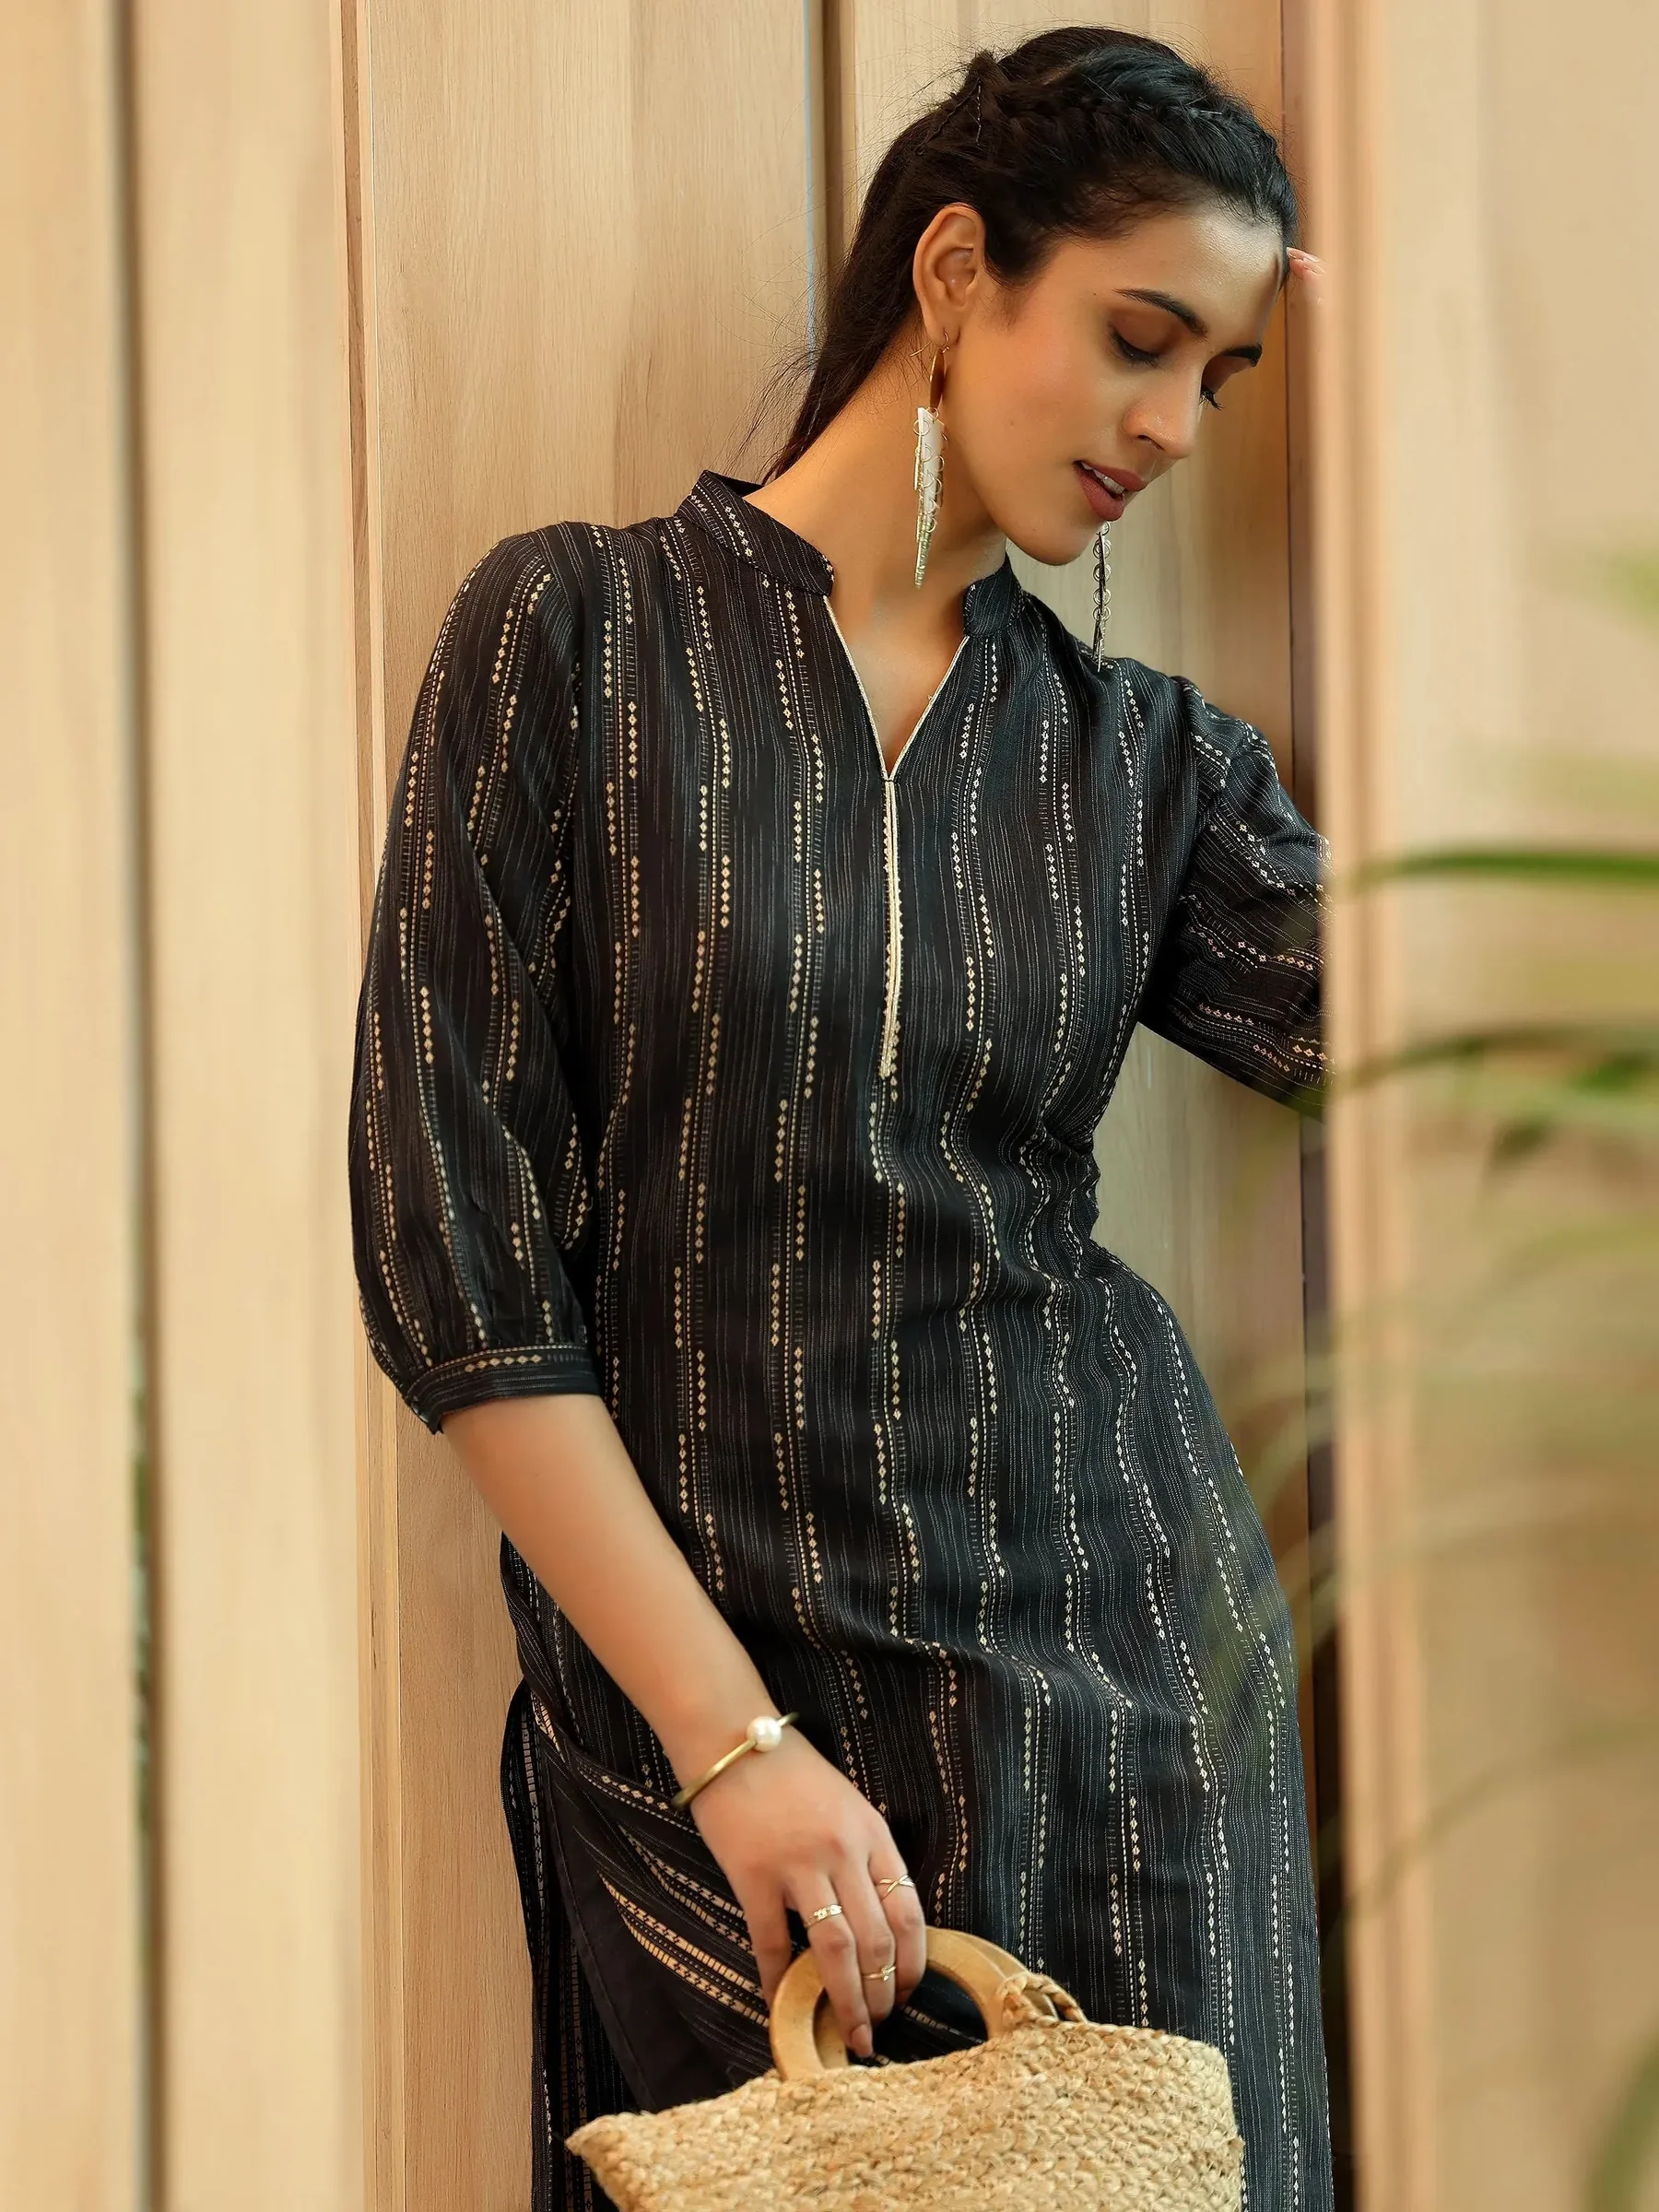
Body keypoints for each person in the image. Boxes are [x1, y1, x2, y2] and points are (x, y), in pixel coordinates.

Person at [348, 25, 1332, 2210]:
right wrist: (733, 1747)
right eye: (1141, 339)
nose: (1176, 428)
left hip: (1120, 1705)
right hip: (715, 1709)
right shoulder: (578, 636)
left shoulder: (1146, 765)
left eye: (1222, 377)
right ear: (960, 270)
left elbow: (1470, 1036)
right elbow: (455, 1261)